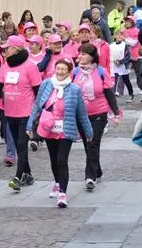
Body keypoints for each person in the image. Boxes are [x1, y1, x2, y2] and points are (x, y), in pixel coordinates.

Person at [28, 59, 93, 208]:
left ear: (69, 71)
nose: (60, 72)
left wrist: (88, 130)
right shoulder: (46, 85)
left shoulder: (75, 89)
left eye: (63, 69)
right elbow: (37, 106)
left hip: (66, 129)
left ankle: (63, 193)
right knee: (53, 159)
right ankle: (57, 182)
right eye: (58, 69)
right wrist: (30, 125)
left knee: (62, 160)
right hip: (49, 128)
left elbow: (81, 113)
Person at [0, 35, 42, 192]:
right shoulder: (6, 65)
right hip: (10, 112)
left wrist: (37, 112)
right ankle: (28, 175)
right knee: (19, 147)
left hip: (26, 113)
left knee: (21, 144)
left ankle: (17, 178)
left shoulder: (30, 66)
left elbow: (38, 90)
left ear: (16, 49)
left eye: (7, 48)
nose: (4, 51)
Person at [72, 43, 120, 191]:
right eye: (79, 53)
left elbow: (109, 93)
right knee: (88, 145)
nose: (80, 56)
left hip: (98, 114)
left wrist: (116, 112)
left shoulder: (101, 72)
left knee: (93, 143)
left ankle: (90, 176)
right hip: (81, 114)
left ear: (92, 57)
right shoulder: (74, 72)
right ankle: (97, 170)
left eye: (84, 54)